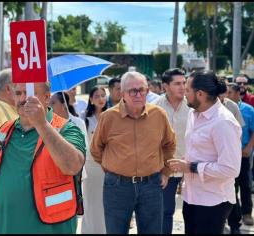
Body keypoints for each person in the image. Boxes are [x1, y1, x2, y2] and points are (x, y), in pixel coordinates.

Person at [0, 82, 86, 234]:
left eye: (30, 93)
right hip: (5, 228)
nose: (24, 99)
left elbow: (72, 166)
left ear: (46, 97)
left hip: (52, 228)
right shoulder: (4, 131)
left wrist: (41, 124)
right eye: (19, 93)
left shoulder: (66, 129)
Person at [90, 71, 176, 234]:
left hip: (151, 185)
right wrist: (112, 169)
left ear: (147, 91)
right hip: (117, 186)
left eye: (142, 89)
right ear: (122, 94)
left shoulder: (159, 115)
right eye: (132, 91)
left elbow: (170, 144)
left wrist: (166, 172)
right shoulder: (108, 117)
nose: (138, 94)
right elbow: (96, 149)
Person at [168, 71, 242, 234]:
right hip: (191, 196)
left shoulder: (223, 122)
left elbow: (231, 169)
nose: (184, 94)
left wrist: (191, 167)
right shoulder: (193, 114)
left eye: (187, 90)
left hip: (213, 201)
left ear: (200, 94)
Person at [152, 68, 190, 234]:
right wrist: (162, 170)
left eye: (184, 83)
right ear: (165, 86)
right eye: (177, 84)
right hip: (163, 171)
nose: (182, 87)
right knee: (164, 212)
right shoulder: (154, 108)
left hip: (190, 168)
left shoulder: (194, 106)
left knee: (192, 213)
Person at [80, 86, 108, 234]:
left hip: (108, 165)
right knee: (91, 202)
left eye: (103, 95)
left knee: (106, 203)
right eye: (97, 96)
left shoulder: (111, 116)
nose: (101, 99)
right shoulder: (84, 118)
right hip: (91, 166)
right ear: (91, 99)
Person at [227, 82, 254, 232]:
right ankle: (233, 216)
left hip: (243, 154)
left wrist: (249, 147)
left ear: (238, 94)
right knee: (231, 186)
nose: (227, 95)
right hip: (229, 154)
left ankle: (247, 213)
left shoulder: (248, 110)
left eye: (230, 92)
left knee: (245, 184)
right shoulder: (224, 108)